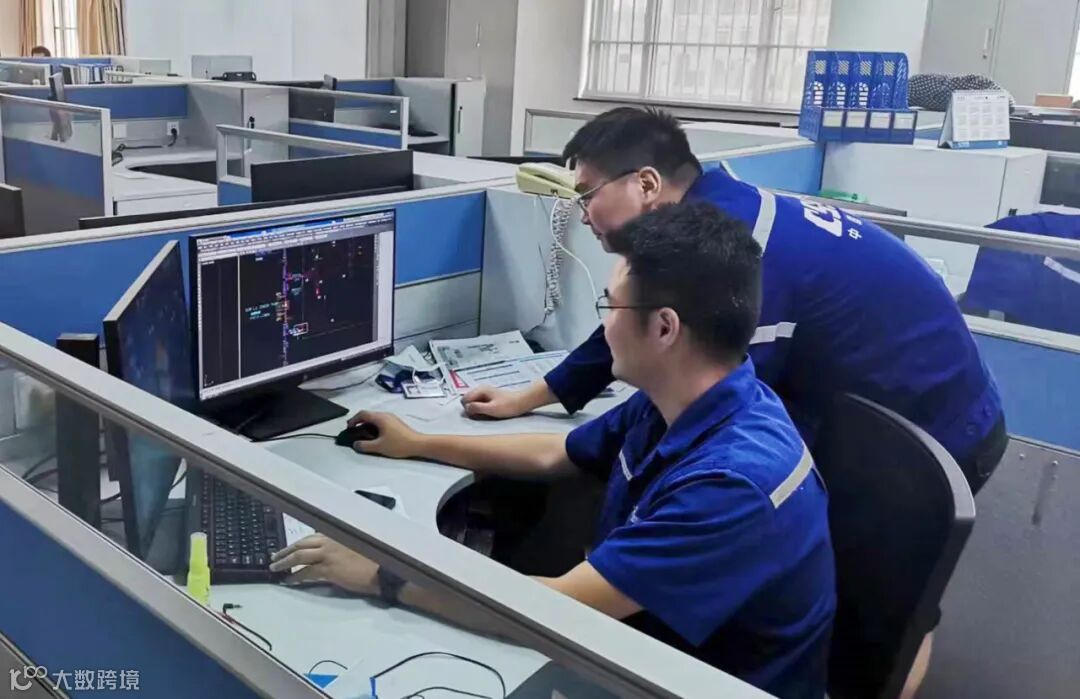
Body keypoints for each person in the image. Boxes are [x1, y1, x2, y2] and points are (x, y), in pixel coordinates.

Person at [271, 202, 837, 699]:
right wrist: (418, 443)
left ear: (665, 329)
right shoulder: (694, 394)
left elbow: (557, 610)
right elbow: (559, 453)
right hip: (647, 648)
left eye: (610, 307)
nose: (604, 328)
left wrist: (382, 575)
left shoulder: (732, 483)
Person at [461, 107, 1007, 496]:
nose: (582, 214)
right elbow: (636, 314)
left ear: (646, 184)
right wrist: (531, 397)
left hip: (936, 432)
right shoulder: (717, 217)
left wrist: (580, 447)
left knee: (862, 601)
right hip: (881, 412)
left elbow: (710, 398)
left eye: (587, 194)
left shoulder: (740, 253)